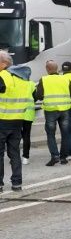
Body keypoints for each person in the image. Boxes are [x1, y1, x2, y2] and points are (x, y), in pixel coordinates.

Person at [36, 60, 71, 166]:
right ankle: (63, 158)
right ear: (57, 69)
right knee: (65, 134)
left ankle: (55, 156)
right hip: (65, 110)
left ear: (47, 69)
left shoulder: (44, 79)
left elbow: (39, 95)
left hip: (50, 110)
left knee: (51, 134)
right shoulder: (66, 79)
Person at [0, 53, 25, 193]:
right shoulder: (22, 78)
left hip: (2, 120)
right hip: (17, 121)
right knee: (14, 153)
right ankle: (17, 183)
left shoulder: (2, 76)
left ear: (4, 63)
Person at [12, 65, 35, 167]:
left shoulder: (14, 83)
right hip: (28, 114)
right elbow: (36, 96)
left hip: (15, 113)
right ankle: (26, 157)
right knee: (26, 136)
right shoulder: (31, 84)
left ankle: (14, 157)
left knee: (15, 136)